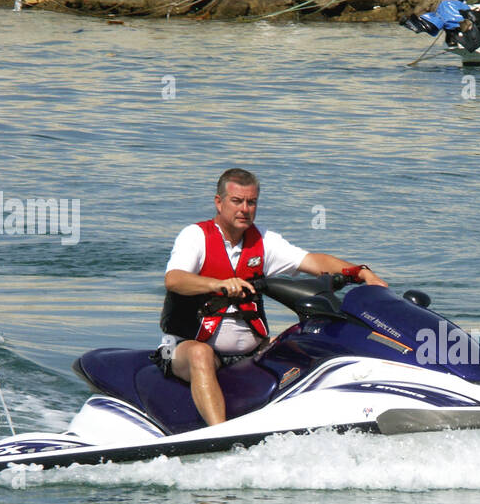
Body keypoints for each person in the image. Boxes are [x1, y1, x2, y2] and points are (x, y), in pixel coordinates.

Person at [158, 167, 387, 426]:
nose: (245, 209)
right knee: (200, 354)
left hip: (251, 350)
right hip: (182, 347)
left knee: (307, 340)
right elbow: (174, 279)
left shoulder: (263, 241)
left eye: (251, 202)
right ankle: (218, 434)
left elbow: (313, 261)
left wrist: (361, 272)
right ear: (219, 202)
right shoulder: (195, 236)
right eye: (237, 201)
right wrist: (218, 284)